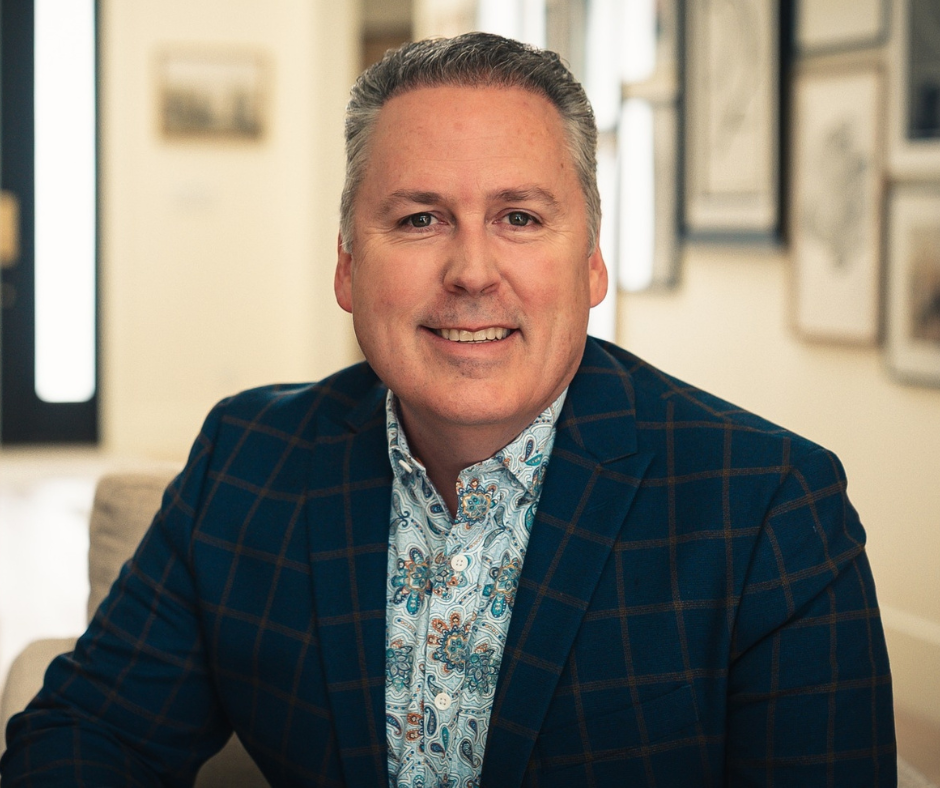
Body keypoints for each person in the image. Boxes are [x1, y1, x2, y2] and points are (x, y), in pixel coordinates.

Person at [2, 32, 895, 787]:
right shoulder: (247, 459)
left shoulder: (769, 506)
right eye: (420, 219)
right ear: (348, 266)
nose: (471, 272)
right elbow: (88, 733)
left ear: (591, 263)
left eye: (520, 217)